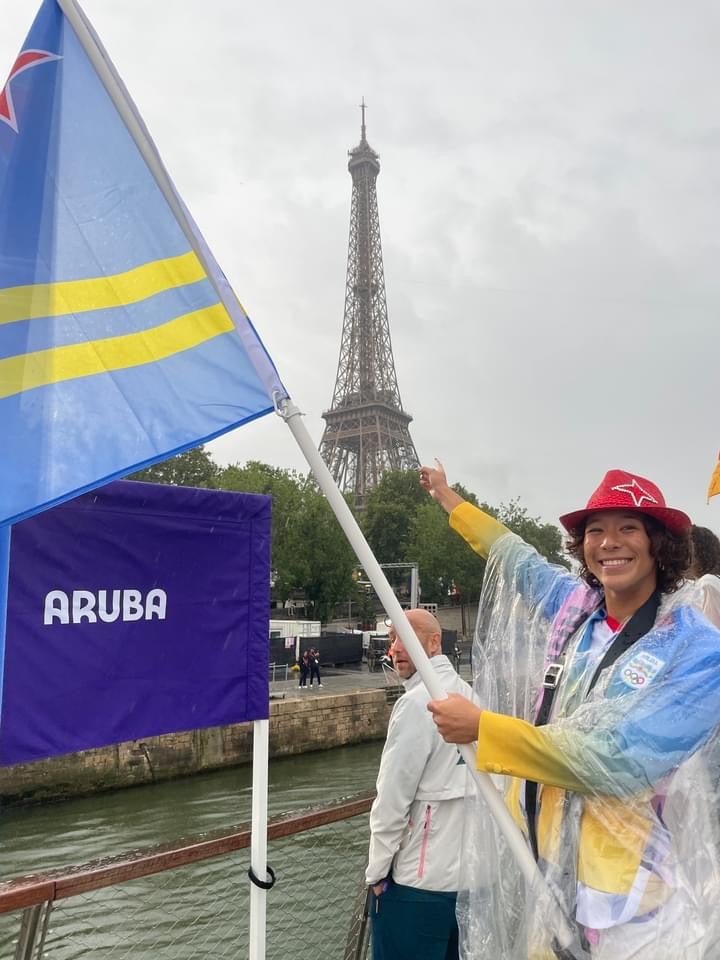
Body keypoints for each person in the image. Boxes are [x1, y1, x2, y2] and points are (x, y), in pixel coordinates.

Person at [420, 462, 720, 960]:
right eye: (595, 531)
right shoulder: (576, 611)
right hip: (551, 876)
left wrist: (486, 730)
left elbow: (619, 760)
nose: (609, 542)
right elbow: (514, 558)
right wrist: (451, 501)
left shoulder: (699, 650)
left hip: (636, 910)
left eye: (628, 528)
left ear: (659, 543)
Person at [366, 608, 473, 960]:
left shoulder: (415, 704)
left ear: (433, 642)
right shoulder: (471, 697)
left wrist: (378, 872)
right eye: (392, 639)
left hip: (417, 882)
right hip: (470, 881)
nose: (395, 648)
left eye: (404, 637)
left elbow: (392, 800)